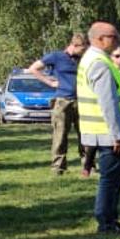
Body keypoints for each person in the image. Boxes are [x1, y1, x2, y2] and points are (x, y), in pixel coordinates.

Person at [78, 22, 120, 235]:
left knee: (115, 177)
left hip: (103, 133)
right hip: (108, 135)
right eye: (113, 37)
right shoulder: (99, 63)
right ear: (99, 39)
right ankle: (106, 222)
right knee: (111, 179)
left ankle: (110, 219)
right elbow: (109, 103)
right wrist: (118, 135)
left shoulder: (94, 59)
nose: (118, 41)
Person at [29, 33, 92, 177]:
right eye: (82, 49)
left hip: (82, 101)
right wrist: (50, 82)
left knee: (86, 136)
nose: (84, 52)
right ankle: (58, 167)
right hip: (63, 101)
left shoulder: (83, 59)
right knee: (60, 136)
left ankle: (88, 166)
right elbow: (33, 68)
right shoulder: (56, 57)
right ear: (74, 46)